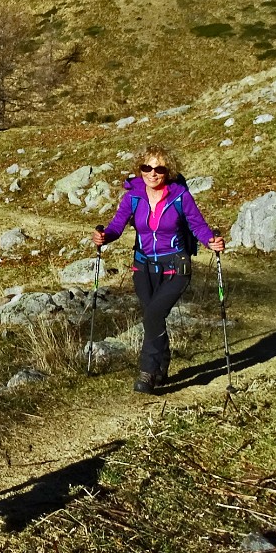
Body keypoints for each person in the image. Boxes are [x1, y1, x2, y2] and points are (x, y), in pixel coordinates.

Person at [92, 145, 225, 394]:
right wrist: (104, 237)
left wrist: (211, 241)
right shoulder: (133, 196)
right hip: (143, 267)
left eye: (159, 168)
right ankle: (162, 366)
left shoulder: (180, 196)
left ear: (168, 171)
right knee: (154, 316)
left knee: (153, 315)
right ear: (139, 169)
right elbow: (117, 225)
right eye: (147, 167)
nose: (153, 173)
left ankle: (147, 371)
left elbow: (198, 226)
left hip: (176, 265)